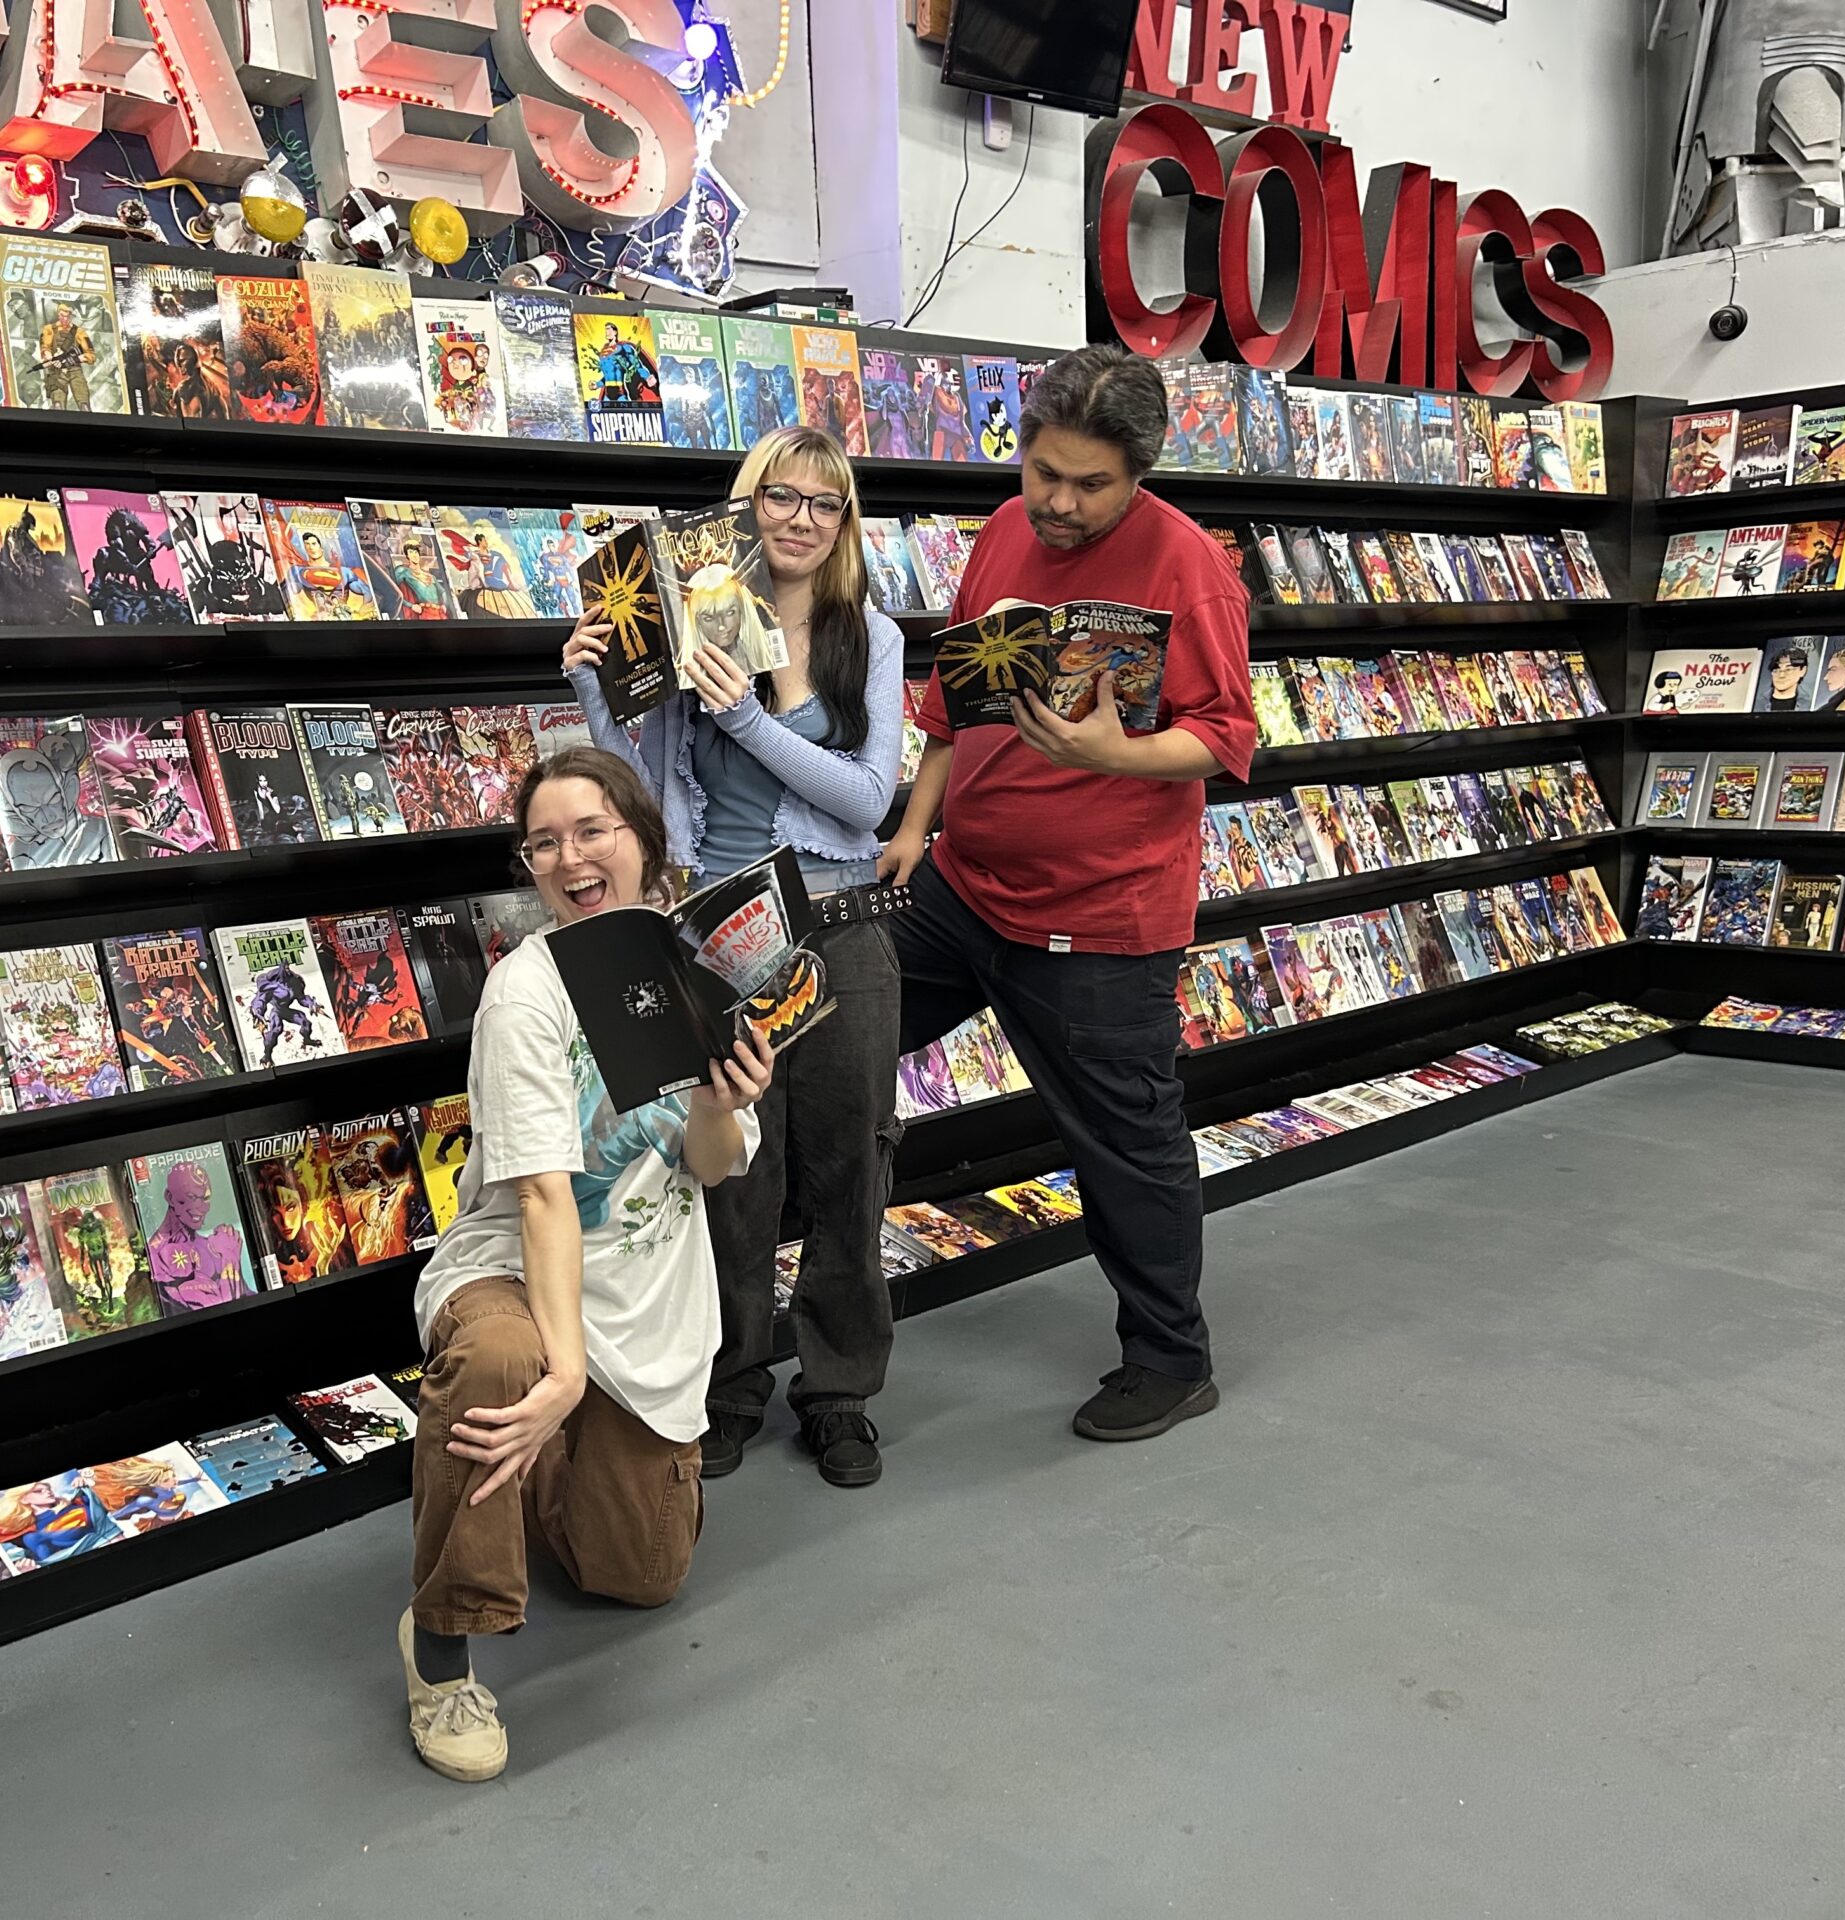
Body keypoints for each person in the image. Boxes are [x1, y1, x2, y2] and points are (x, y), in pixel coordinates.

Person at [878, 344, 1257, 1444]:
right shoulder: (1005, 529)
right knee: (827, 1032)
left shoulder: (1188, 565)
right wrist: (913, 828)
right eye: (1045, 471)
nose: (1060, 502)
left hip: (1099, 919)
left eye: (1092, 485)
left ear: (1138, 473)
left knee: (1125, 1144)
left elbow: (1226, 736)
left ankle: (1171, 1360)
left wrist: (1113, 755)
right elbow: (952, 704)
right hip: (961, 886)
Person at [402, 747, 773, 1784]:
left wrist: (721, 1102)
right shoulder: (524, 994)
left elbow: (710, 1167)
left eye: (592, 831)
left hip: (645, 1308)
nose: (569, 859)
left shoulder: (699, 966)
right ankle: (441, 1643)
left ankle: (541, 1465)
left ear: (643, 840)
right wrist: (562, 1374)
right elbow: (541, 1198)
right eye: (544, 843)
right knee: (501, 1364)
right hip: (518, 1269)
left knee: (642, 1576)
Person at [562, 424, 907, 1488]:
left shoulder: (869, 636)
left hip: (838, 925)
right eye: (779, 496)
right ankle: (728, 1385)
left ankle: (840, 1393)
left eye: (825, 503)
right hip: (710, 932)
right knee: (726, 1172)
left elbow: (868, 800)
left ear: (844, 524)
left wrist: (749, 720)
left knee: (849, 1164)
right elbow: (643, 796)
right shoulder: (689, 625)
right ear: (743, 508)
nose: (801, 519)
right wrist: (593, 690)